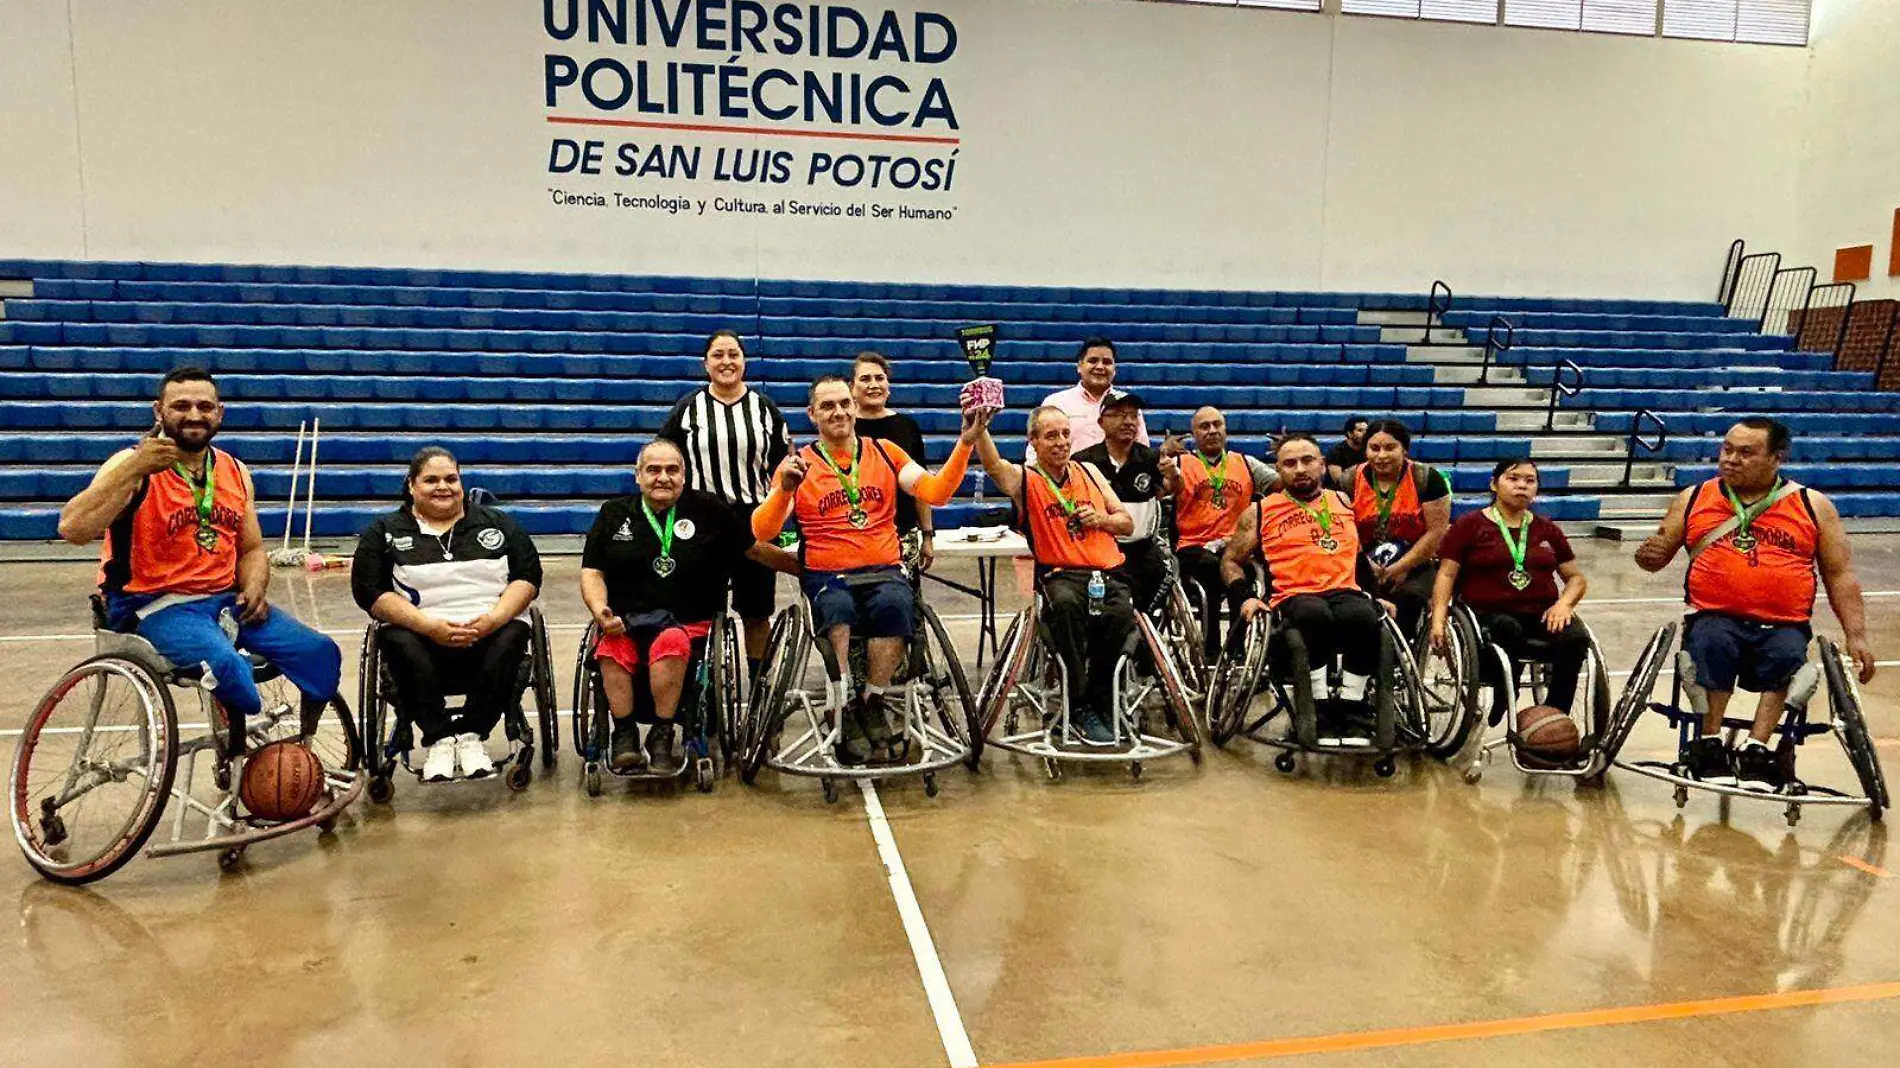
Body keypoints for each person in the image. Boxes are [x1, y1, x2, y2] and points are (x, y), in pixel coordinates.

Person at [56, 367, 343, 761]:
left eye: (205, 406)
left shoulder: (234, 470)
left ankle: (301, 751)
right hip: (152, 605)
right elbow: (72, 527)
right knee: (230, 670)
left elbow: (252, 549)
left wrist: (256, 585)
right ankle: (245, 750)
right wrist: (133, 468)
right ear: (159, 410)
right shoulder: (130, 464)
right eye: (181, 406)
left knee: (320, 652)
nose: (194, 414)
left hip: (223, 601)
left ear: (219, 413)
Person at [1635, 417, 1875, 792]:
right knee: (1712, 644)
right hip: (1713, 615)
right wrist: (1649, 554)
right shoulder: (1695, 497)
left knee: (1786, 656)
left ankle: (1758, 749)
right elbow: (1656, 555)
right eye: (1727, 449)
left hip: (1783, 622)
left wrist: (1856, 635)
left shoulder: (1813, 506)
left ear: (1776, 459)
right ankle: (1709, 741)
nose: (1731, 459)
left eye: (1746, 453)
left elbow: (1840, 575)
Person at [751, 376, 978, 764]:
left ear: (855, 408)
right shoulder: (797, 465)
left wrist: (966, 442)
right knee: (837, 612)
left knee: (896, 605)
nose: (838, 411)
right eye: (827, 406)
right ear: (812, 414)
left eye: (843, 403)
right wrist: (784, 491)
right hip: (827, 574)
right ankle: (839, 706)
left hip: (883, 568)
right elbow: (762, 531)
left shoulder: (886, 452)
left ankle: (869, 700)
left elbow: (937, 492)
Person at [582, 439, 774, 774]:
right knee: (609, 647)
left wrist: (806, 566)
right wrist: (600, 610)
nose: (663, 477)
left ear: (684, 476)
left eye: (672, 470)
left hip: (689, 623)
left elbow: (753, 550)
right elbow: (592, 571)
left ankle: (661, 733)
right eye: (653, 470)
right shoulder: (614, 514)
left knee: (671, 642)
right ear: (638, 476)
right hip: (626, 622)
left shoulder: (709, 510)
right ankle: (624, 735)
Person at [351, 447, 543, 782]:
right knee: (395, 637)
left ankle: (471, 736)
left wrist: (494, 620)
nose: (444, 486)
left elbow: (528, 577)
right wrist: (427, 626)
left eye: (451, 479)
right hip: (422, 638)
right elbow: (370, 593)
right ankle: (438, 737)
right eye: (431, 480)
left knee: (514, 632)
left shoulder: (499, 524)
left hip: (488, 635)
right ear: (411, 485)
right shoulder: (385, 531)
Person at [975, 405, 1137, 746]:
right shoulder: (1026, 479)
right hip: (1061, 576)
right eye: (1051, 435)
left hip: (1106, 572)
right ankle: (1078, 705)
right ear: (1033, 440)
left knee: (1121, 614)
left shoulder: (1090, 471)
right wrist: (979, 428)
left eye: (1065, 434)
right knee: (1064, 607)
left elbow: (1126, 523)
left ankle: (1102, 699)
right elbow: (993, 466)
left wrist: (1101, 520)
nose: (1061, 442)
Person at [1222, 434, 1384, 743]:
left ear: (1322, 465)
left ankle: (1353, 708)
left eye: (1307, 461)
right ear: (1278, 470)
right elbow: (1230, 561)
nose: (1300, 469)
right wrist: (1247, 597)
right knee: (1313, 614)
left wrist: (1379, 597)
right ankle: (1317, 706)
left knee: (1364, 615)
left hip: (1344, 591)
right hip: (1292, 595)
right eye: (1290, 463)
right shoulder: (1261, 511)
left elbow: (1358, 555)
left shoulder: (1343, 502)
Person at [658, 330, 792, 681]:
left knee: (757, 611)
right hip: (702, 520)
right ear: (706, 364)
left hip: (754, 518)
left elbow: (783, 467)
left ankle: (760, 685)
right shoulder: (688, 408)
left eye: (733, 354)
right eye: (718, 355)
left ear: (744, 361)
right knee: (699, 610)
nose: (726, 361)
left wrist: (781, 511)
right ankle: (702, 690)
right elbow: (663, 456)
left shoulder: (765, 409)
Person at [1430, 460, 1588, 725]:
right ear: (1494, 484)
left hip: (1541, 612)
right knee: (1507, 628)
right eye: (1513, 478)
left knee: (1575, 638)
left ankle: (1552, 716)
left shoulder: (1547, 529)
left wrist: (1565, 604)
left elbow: (1575, 578)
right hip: (1488, 613)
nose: (1522, 485)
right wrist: (1438, 620)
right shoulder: (1469, 526)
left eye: (1529, 480)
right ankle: (1506, 692)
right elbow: (1446, 574)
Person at [1169, 406, 1277, 660]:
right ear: (1194, 434)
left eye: (1217, 425)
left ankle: (1240, 641)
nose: (1212, 431)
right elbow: (1163, 488)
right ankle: (1210, 647)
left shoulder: (1247, 463)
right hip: (1193, 546)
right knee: (1212, 569)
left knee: (1259, 568)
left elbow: (1283, 484)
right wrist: (1165, 463)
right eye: (1204, 426)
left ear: (1226, 430)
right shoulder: (1180, 463)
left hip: (1236, 544)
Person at [1339, 419, 1450, 635]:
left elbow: (1436, 531)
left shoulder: (1427, 478)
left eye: (1390, 448)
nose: (1381, 456)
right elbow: (1341, 530)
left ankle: (1401, 658)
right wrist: (1368, 566)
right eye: (1374, 448)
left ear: (1405, 449)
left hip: (1416, 563)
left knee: (1409, 598)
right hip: (1362, 562)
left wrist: (1400, 567)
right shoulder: (1349, 480)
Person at [1072, 389, 1179, 612]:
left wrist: (1174, 476)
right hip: (1101, 551)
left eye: (1134, 416)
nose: (1128, 421)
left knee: (1161, 584)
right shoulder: (1082, 462)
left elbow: (1168, 491)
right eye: (1120, 415)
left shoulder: (1150, 457)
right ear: (1101, 422)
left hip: (1143, 549)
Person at [849, 350, 935, 571]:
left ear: (888, 386)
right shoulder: (843, 428)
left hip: (902, 534)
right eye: (865, 379)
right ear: (852, 388)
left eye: (880, 378)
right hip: (853, 534)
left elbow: (921, 486)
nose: (874, 385)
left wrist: (927, 534)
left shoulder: (907, 427)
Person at [1030, 337, 1149, 462]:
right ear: (1079, 366)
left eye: (1107, 362)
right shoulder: (1056, 403)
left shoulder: (1129, 404)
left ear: (1115, 370)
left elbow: (1142, 448)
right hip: (1069, 479)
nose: (1100, 367)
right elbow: (1035, 451)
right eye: (1093, 361)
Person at [1326, 416, 1370, 488]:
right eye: (1360, 430)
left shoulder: (1369, 450)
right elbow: (1339, 482)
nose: (1365, 434)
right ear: (1350, 434)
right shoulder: (1336, 452)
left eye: (1366, 430)